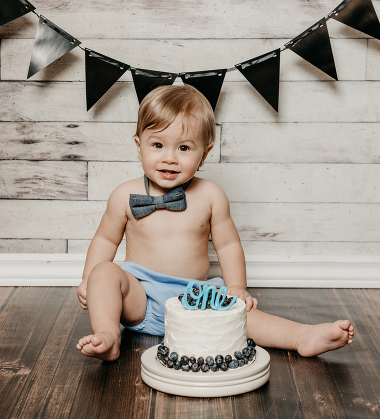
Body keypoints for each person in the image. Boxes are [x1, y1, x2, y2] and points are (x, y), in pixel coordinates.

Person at [76, 84, 354, 361]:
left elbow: (228, 244)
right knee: (105, 272)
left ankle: (301, 336)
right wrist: (89, 280)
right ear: (139, 146)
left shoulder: (210, 195)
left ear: (204, 154)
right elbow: (105, 240)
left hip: (194, 297)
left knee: (244, 316)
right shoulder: (124, 195)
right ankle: (109, 335)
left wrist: (237, 287)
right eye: (158, 145)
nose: (170, 158)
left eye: (184, 148)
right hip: (141, 297)